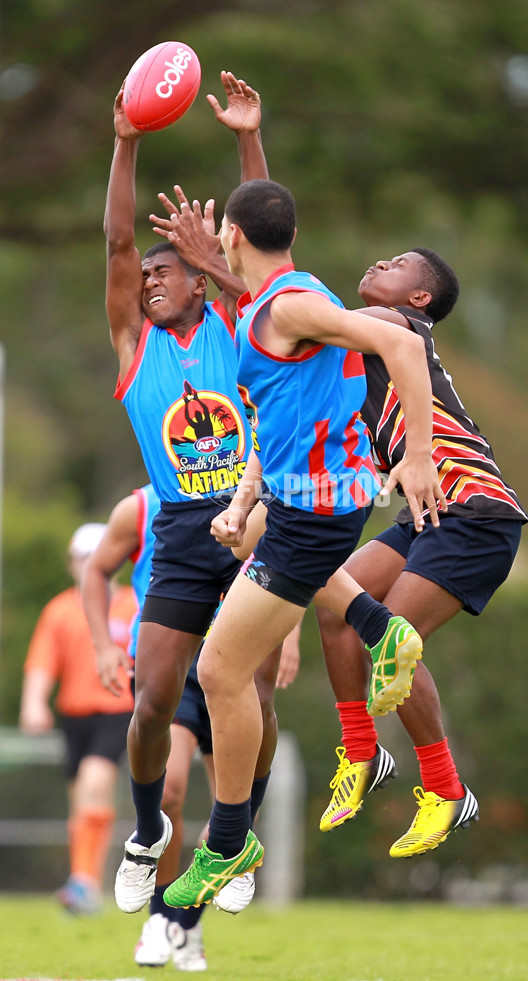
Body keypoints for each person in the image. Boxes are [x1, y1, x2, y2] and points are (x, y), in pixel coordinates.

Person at [157, 177, 445, 911]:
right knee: (238, 535)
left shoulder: (289, 304)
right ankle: (381, 630)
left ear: (232, 237)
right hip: (301, 504)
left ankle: (227, 842)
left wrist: (416, 456)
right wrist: (244, 497)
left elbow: (399, 343)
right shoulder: (274, 299)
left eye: (223, 226)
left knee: (220, 672)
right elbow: (282, 418)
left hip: (318, 513)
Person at [104, 72, 298, 919]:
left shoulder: (236, 322)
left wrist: (247, 137)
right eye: (142, 272)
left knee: (250, 694)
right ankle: (148, 834)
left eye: (166, 268)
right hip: (183, 525)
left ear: (201, 281)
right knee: (153, 700)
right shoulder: (132, 347)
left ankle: (236, 835)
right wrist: (125, 140)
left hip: (253, 521)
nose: (149, 276)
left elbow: (262, 245)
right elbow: (115, 244)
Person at [316, 248, 528, 857]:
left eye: (400, 263)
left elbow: (301, 316)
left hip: (475, 512)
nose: (381, 261)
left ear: (419, 300)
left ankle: (446, 790)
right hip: (428, 515)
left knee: (388, 638)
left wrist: (243, 271)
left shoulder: (401, 327)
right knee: (335, 603)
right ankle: (361, 753)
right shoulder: (360, 354)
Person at [82, 484, 302, 968]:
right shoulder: (139, 505)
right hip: (174, 661)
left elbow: (293, 559)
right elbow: (96, 570)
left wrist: (292, 632)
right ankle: (160, 916)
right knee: (172, 791)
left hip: (237, 655)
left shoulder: (259, 494)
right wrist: (102, 645)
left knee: (235, 797)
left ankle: (190, 923)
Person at [19, 523, 136, 915]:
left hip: (118, 711)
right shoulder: (60, 610)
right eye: (81, 557)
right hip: (75, 714)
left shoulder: (132, 604)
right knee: (81, 804)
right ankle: (85, 883)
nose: (87, 564)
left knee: (94, 782)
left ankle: (84, 881)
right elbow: (42, 663)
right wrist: (34, 702)